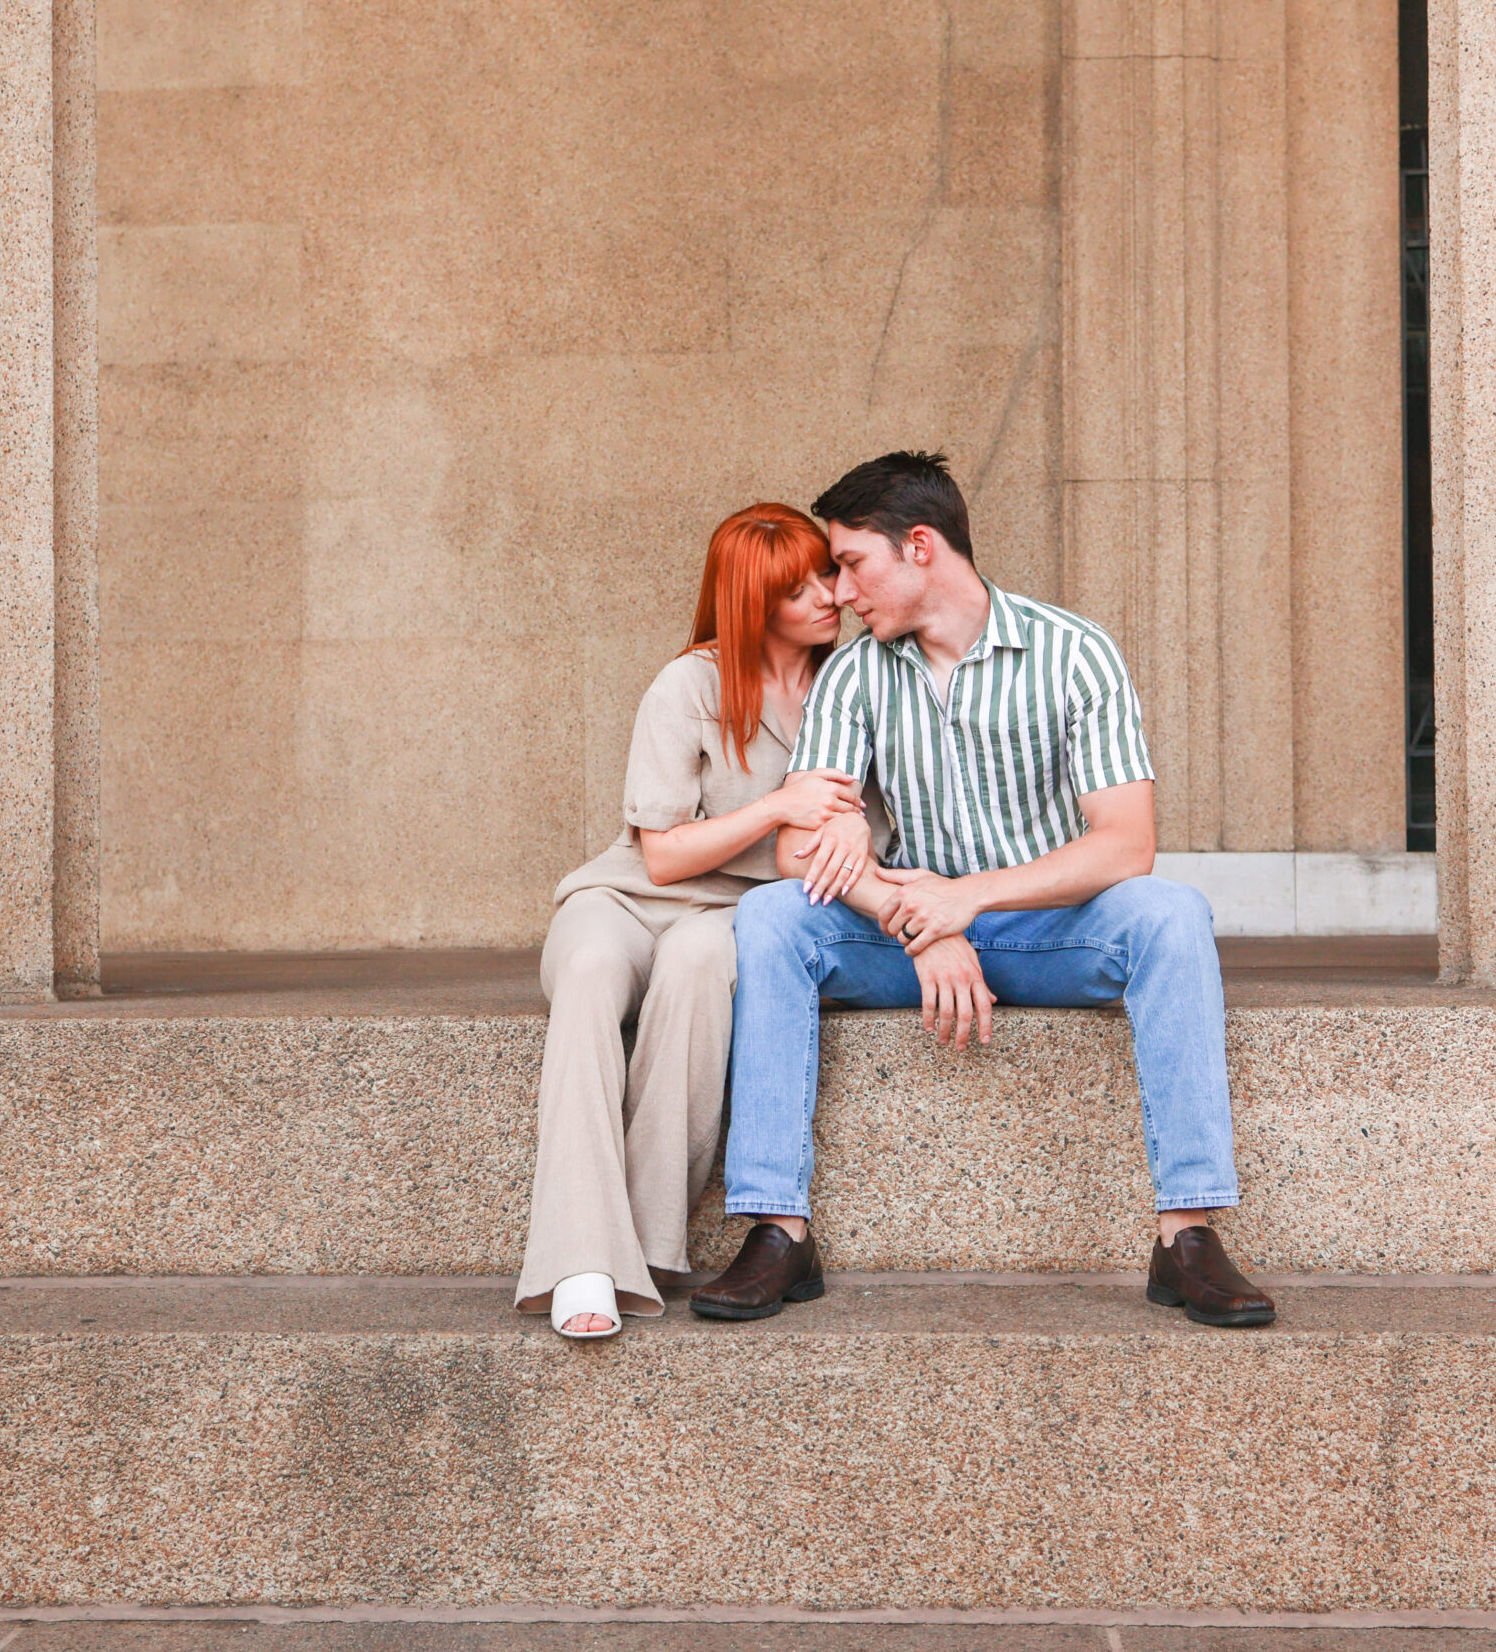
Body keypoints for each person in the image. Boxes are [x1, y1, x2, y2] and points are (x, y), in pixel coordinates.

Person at [691, 451, 1277, 1328]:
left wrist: (972, 900)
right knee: (773, 918)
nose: (842, 591)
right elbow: (797, 850)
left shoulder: (1074, 653)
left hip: (1051, 930)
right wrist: (921, 920)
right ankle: (778, 1229)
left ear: (919, 546)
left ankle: (1186, 1234)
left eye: (852, 563)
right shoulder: (857, 674)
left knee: (1173, 914)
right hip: (909, 935)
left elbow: (1127, 844)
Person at [516, 504, 879, 1338]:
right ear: (753, 603)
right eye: (801, 588)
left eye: (828, 573)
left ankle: (639, 1247)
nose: (830, 595)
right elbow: (665, 855)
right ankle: (578, 1258)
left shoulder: (853, 685)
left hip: (735, 913)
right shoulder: (690, 684)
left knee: (698, 965)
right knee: (586, 976)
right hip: (625, 898)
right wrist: (781, 804)